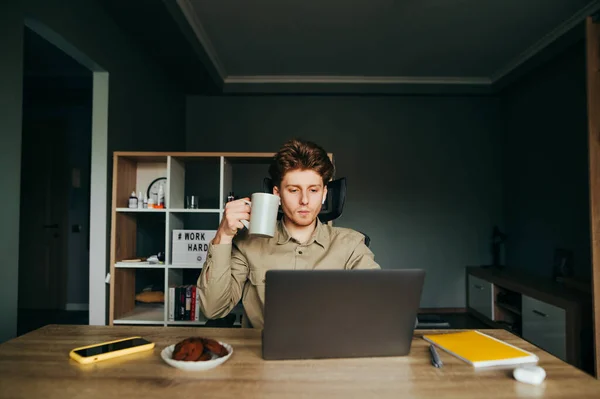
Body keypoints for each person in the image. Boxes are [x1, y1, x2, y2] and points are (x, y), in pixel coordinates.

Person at [197, 138, 380, 328]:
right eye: (294, 190)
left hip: (328, 352)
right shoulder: (248, 244)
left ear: (324, 193)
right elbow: (213, 309)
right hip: (261, 353)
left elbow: (377, 306)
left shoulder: (351, 245)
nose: (305, 200)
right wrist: (223, 236)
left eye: (313, 190)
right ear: (277, 194)